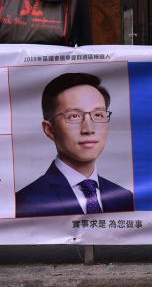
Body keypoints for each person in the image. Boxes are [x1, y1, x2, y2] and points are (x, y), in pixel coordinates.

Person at [16, 73, 134, 217]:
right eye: (74, 116)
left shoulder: (124, 198)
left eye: (98, 115)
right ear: (50, 129)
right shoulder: (26, 202)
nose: (88, 129)